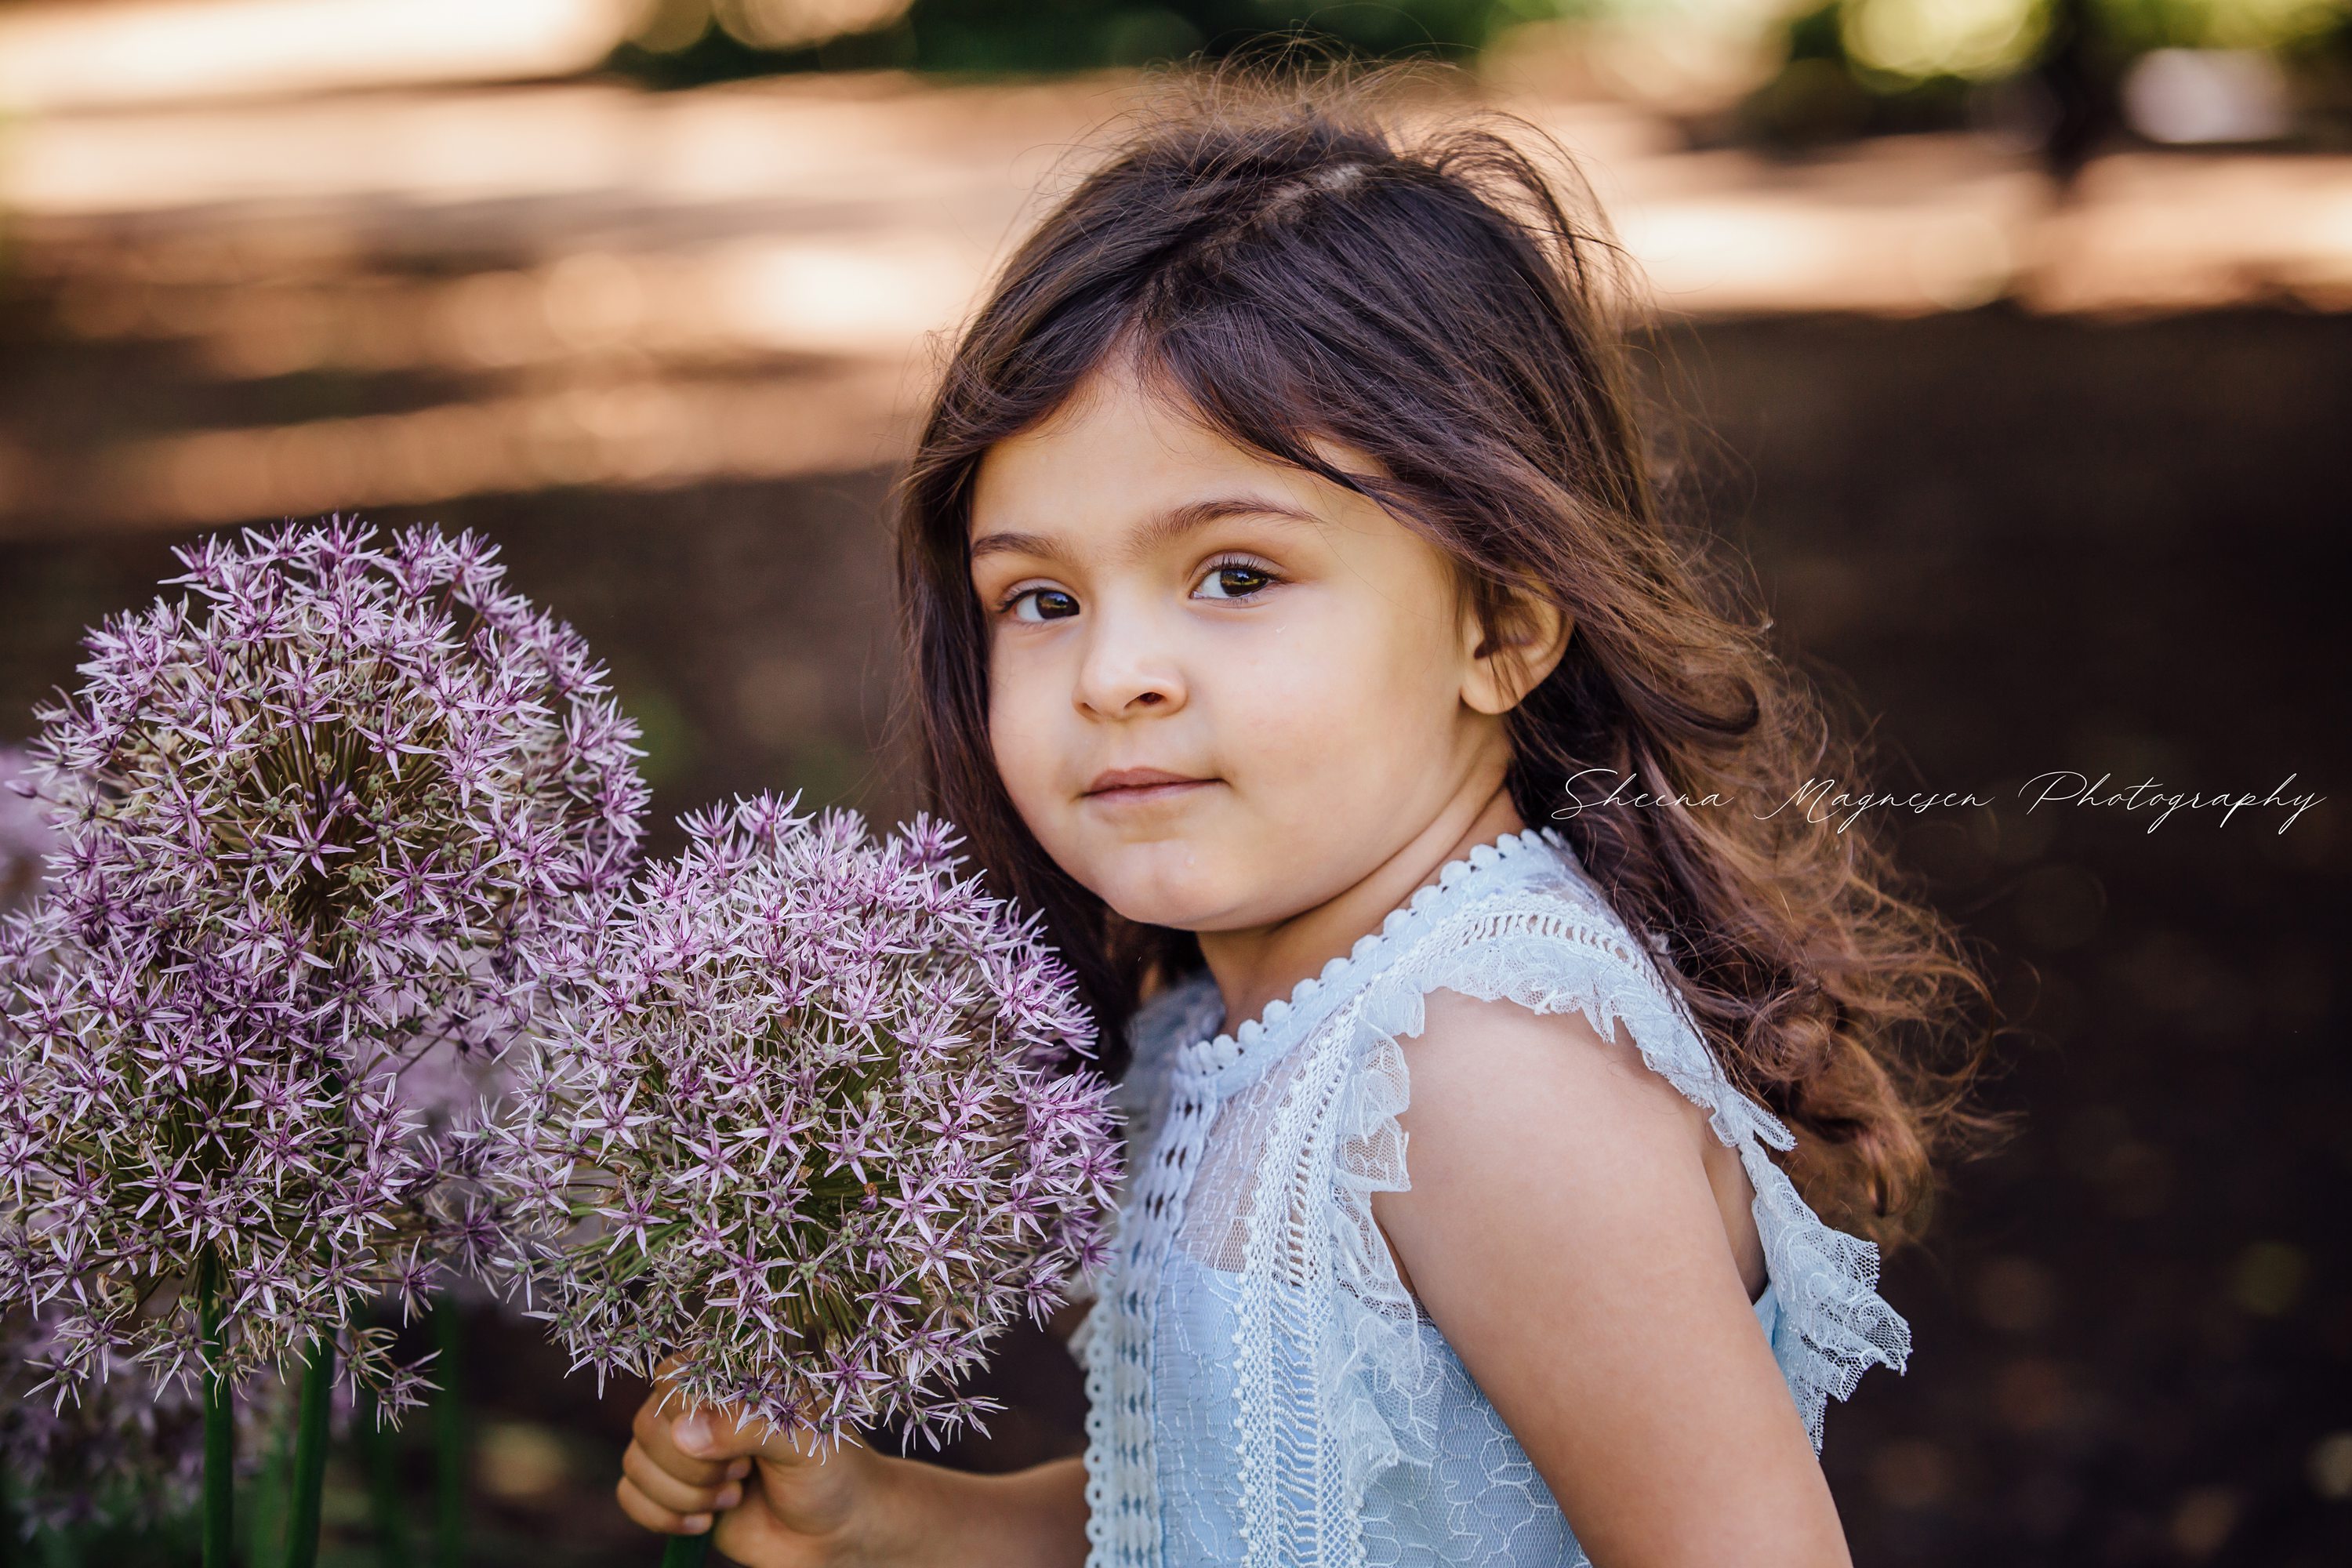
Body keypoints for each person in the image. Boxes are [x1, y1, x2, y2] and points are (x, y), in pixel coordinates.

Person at [612, 53, 2000, 1568]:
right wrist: (882, 1517)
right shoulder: (1231, 1020)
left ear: (1504, 627)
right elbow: (1233, 1519)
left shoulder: (1486, 1080)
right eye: (1044, 597)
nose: (1117, 672)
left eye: (1236, 574)